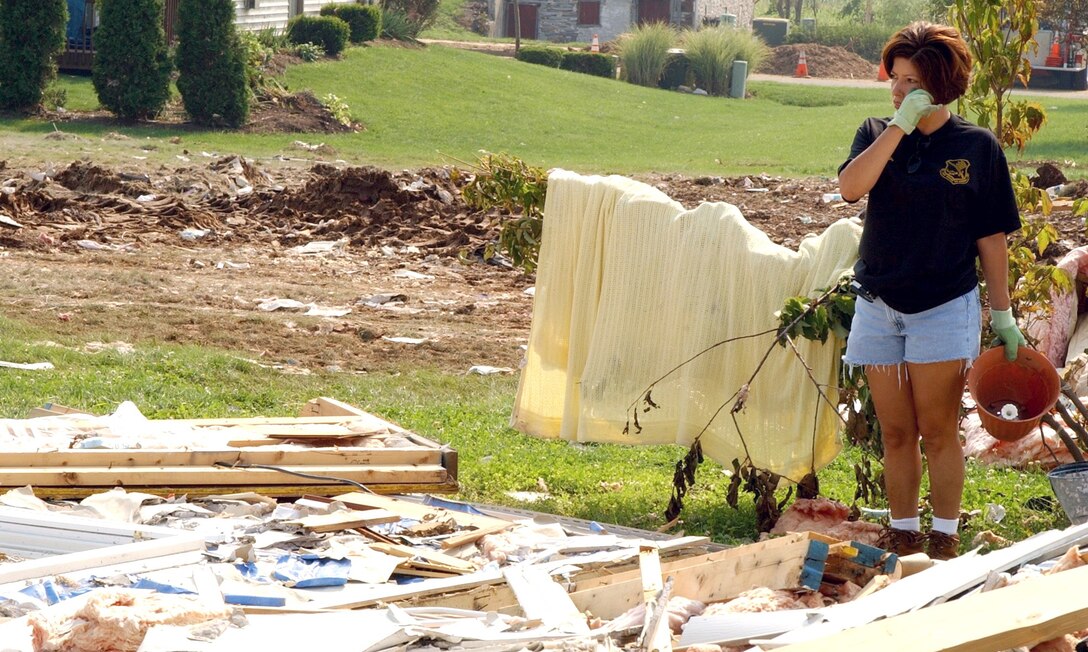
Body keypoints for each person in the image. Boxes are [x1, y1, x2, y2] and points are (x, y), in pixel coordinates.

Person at [837, 21, 1026, 561]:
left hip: (944, 307)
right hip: (879, 305)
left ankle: (943, 538)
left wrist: (1003, 312)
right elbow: (851, 189)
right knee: (895, 433)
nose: (898, 90)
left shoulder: (977, 146)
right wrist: (899, 125)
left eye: (911, 81)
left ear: (940, 84)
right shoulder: (877, 131)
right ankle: (904, 533)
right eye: (894, 78)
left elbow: (991, 238)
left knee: (938, 430)